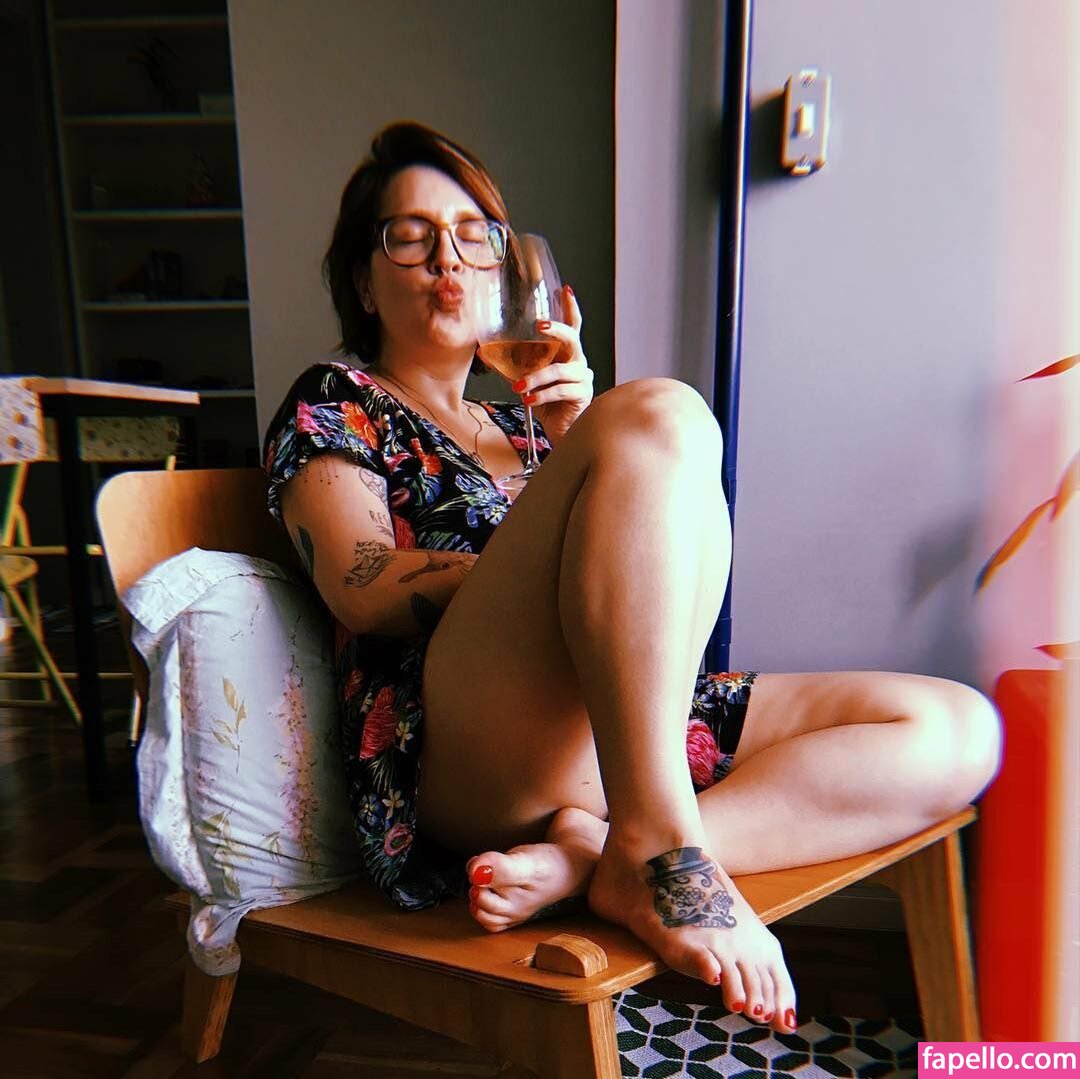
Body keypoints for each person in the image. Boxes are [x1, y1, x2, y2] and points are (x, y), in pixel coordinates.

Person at [263, 121, 1002, 1034]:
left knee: (957, 730)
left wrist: (577, 440)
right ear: (362, 279)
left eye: (474, 236)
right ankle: (661, 847)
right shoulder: (338, 398)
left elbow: (644, 596)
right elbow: (363, 583)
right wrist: (570, 536)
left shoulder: (526, 423)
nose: (447, 258)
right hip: (462, 751)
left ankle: (611, 856)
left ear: (502, 269)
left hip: (624, 736)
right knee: (662, 409)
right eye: (410, 237)